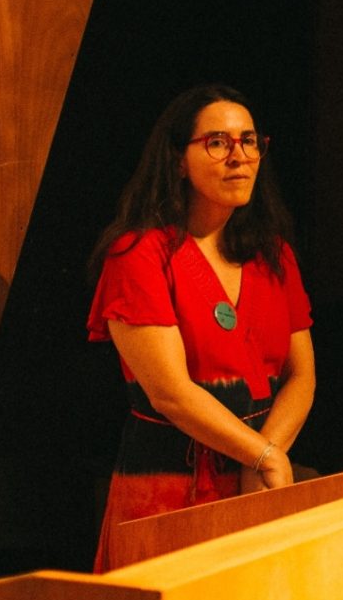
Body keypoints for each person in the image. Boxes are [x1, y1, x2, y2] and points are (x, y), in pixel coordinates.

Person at [87, 86, 314, 570]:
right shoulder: (139, 254)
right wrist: (261, 456)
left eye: (249, 141)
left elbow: (302, 376)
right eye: (217, 142)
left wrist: (266, 455)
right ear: (177, 161)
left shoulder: (272, 253)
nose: (239, 156)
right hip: (168, 487)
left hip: (258, 479)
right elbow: (169, 393)